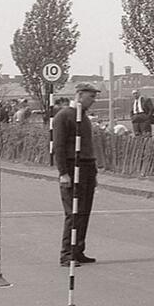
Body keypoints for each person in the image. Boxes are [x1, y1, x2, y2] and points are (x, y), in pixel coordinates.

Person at [54, 82, 100, 266]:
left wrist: (94, 173)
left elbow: (88, 148)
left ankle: (78, 249)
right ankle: (67, 254)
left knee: (84, 211)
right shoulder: (64, 116)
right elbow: (59, 145)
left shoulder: (84, 117)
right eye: (91, 97)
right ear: (79, 95)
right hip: (73, 167)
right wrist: (63, 173)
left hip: (87, 166)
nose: (93, 101)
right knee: (73, 212)